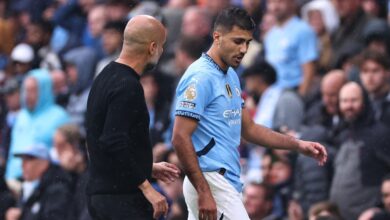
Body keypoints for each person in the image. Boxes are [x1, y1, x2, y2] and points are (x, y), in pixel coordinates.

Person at [172, 7, 327, 220]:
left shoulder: (231, 76)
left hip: (222, 181)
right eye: (237, 41)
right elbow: (180, 137)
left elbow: (250, 129)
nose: (244, 49)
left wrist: (298, 145)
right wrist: (204, 190)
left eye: (247, 42)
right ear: (217, 37)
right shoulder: (200, 77)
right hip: (211, 180)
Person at [85, 15, 180, 220]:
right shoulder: (128, 86)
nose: (162, 52)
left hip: (101, 195)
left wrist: (146, 166)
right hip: (121, 201)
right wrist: (147, 188)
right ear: (152, 47)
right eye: (162, 46)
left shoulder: (104, 76)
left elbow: (99, 143)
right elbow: (113, 142)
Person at [330, 82, 390, 220]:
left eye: (354, 100)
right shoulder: (342, 134)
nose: (348, 106)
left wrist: (379, 209)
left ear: (364, 102)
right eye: (344, 101)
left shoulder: (380, 134)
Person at [5, 143, 73, 220]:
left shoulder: (57, 189)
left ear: (44, 163)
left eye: (28, 160)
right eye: (23, 160)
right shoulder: (27, 187)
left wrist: (22, 216)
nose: (22, 165)